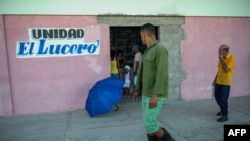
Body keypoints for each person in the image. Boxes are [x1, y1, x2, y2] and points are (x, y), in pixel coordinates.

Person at [133, 23, 175, 141]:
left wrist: (155, 95)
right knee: (148, 126)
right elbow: (142, 71)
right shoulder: (147, 51)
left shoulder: (160, 49)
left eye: (141, 35)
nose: (141, 38)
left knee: (149, 124)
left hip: (155, 94)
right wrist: (137, 90)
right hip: (146, 93)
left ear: (145, 34)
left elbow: (161, 74)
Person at [212, 44, 235, 122]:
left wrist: (221, 60)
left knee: (223, 99)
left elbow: (226, 69)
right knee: (217, 96)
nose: (218, 52)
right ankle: (222, 109)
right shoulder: (221, 58)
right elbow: (220, 70)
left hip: (226, 82)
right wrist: (215, 80)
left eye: (220, 51)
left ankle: (225, 115)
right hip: (219, 81)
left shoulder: (232, 58)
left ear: (225, 51)